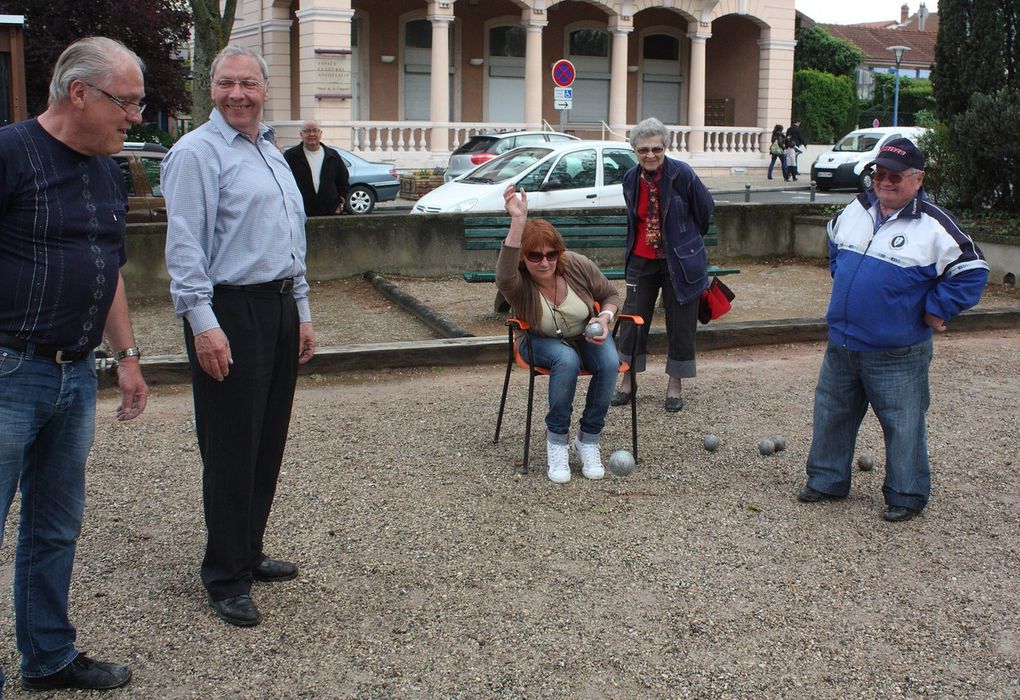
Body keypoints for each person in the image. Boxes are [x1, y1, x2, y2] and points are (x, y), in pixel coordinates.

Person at [0, 37, 148, 692]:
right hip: (9, 372)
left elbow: (108, 267)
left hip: (75, 374)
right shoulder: (9, 153)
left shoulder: (105, 168)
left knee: (55, 527)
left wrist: (128, 355)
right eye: (128, 102)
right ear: (78, 94)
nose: (137, 117)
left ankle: (49, 657)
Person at [162, 45, 317, 627]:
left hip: (275, 307)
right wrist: (203, 324)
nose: (236, 94)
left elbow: (289, 238)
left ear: (264, 88)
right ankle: (225, 575)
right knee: (230, 445)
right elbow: (184, 248)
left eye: (247, 83)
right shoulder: (197, 153)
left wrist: (300, 311)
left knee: (266, 438)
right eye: (226, 83)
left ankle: (248, 550)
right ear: (211, 87)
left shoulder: (270, 151)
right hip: (229, 308)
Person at [797, 138, 989, 522]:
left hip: (896, 351)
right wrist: (843, 276)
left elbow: (972, 273)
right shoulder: (858, 208)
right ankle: (827, 479)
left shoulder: (934, 224)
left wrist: (936, 309)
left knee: (903, 423)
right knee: (832, 413)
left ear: (917, 179)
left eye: (895, 176)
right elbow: (834, 239)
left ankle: (906, 493)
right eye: (879, 174)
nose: (884, 182)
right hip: (843, 342)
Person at [496, 184, 621, 484]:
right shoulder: (517, 282)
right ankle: (557, 441)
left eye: (551, 254)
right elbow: (503, 271)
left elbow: (611, 294)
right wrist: (518, 221)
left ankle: (588, 439)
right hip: (536, 340)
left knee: (611, 362)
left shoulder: (576, 264)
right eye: (535, 256)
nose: (545, 262)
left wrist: (604, 319)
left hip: (583, 335)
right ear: (524, 258)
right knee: (565, 359)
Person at [610, 117, 714, 412]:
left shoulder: (682, 174)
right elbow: (635, 218)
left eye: (656, 148)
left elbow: (705, 209)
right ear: (635, 151)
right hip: (641, 260)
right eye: (644, 150)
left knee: (681, 324)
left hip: (679, 261)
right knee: (632, 321)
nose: (651, 155)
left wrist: (687, 242)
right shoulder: (630, 178)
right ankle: (628, 381)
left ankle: (674, 385)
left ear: (665, 147)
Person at [284, 119, 351, 217]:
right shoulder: (291, 156)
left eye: (315, 130)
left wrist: (341, 202)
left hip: (330, 213)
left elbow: (343, 181)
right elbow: (284, 183)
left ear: (320, 133)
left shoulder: (332, 156)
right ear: (301, 134)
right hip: (300, 213)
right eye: (307, 131)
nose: (312, 134)